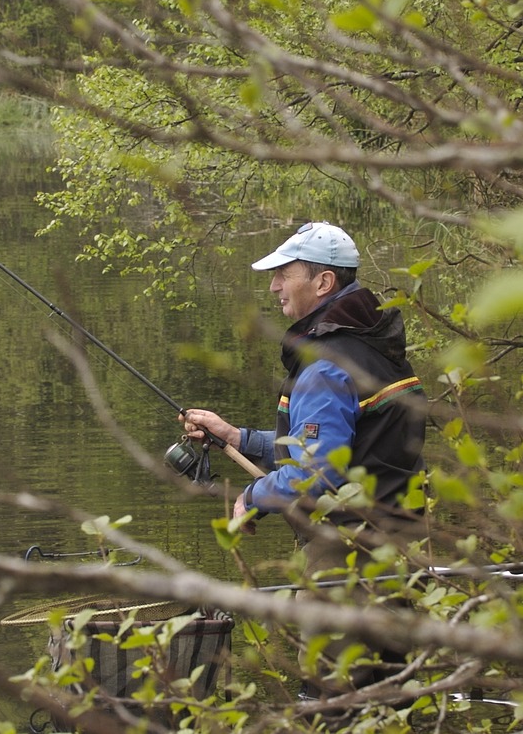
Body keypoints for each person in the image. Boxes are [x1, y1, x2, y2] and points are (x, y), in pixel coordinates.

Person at [182, 221, 428, 704]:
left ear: (323, 282)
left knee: (329, 700)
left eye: (283, 274)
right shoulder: (375, 346)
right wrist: (237, 438)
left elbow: (317, 473)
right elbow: (350, 446)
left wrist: (252, 497)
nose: (273, 286)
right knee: (392, 699)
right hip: (401, 550)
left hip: (344, 560)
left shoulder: (325, 363)